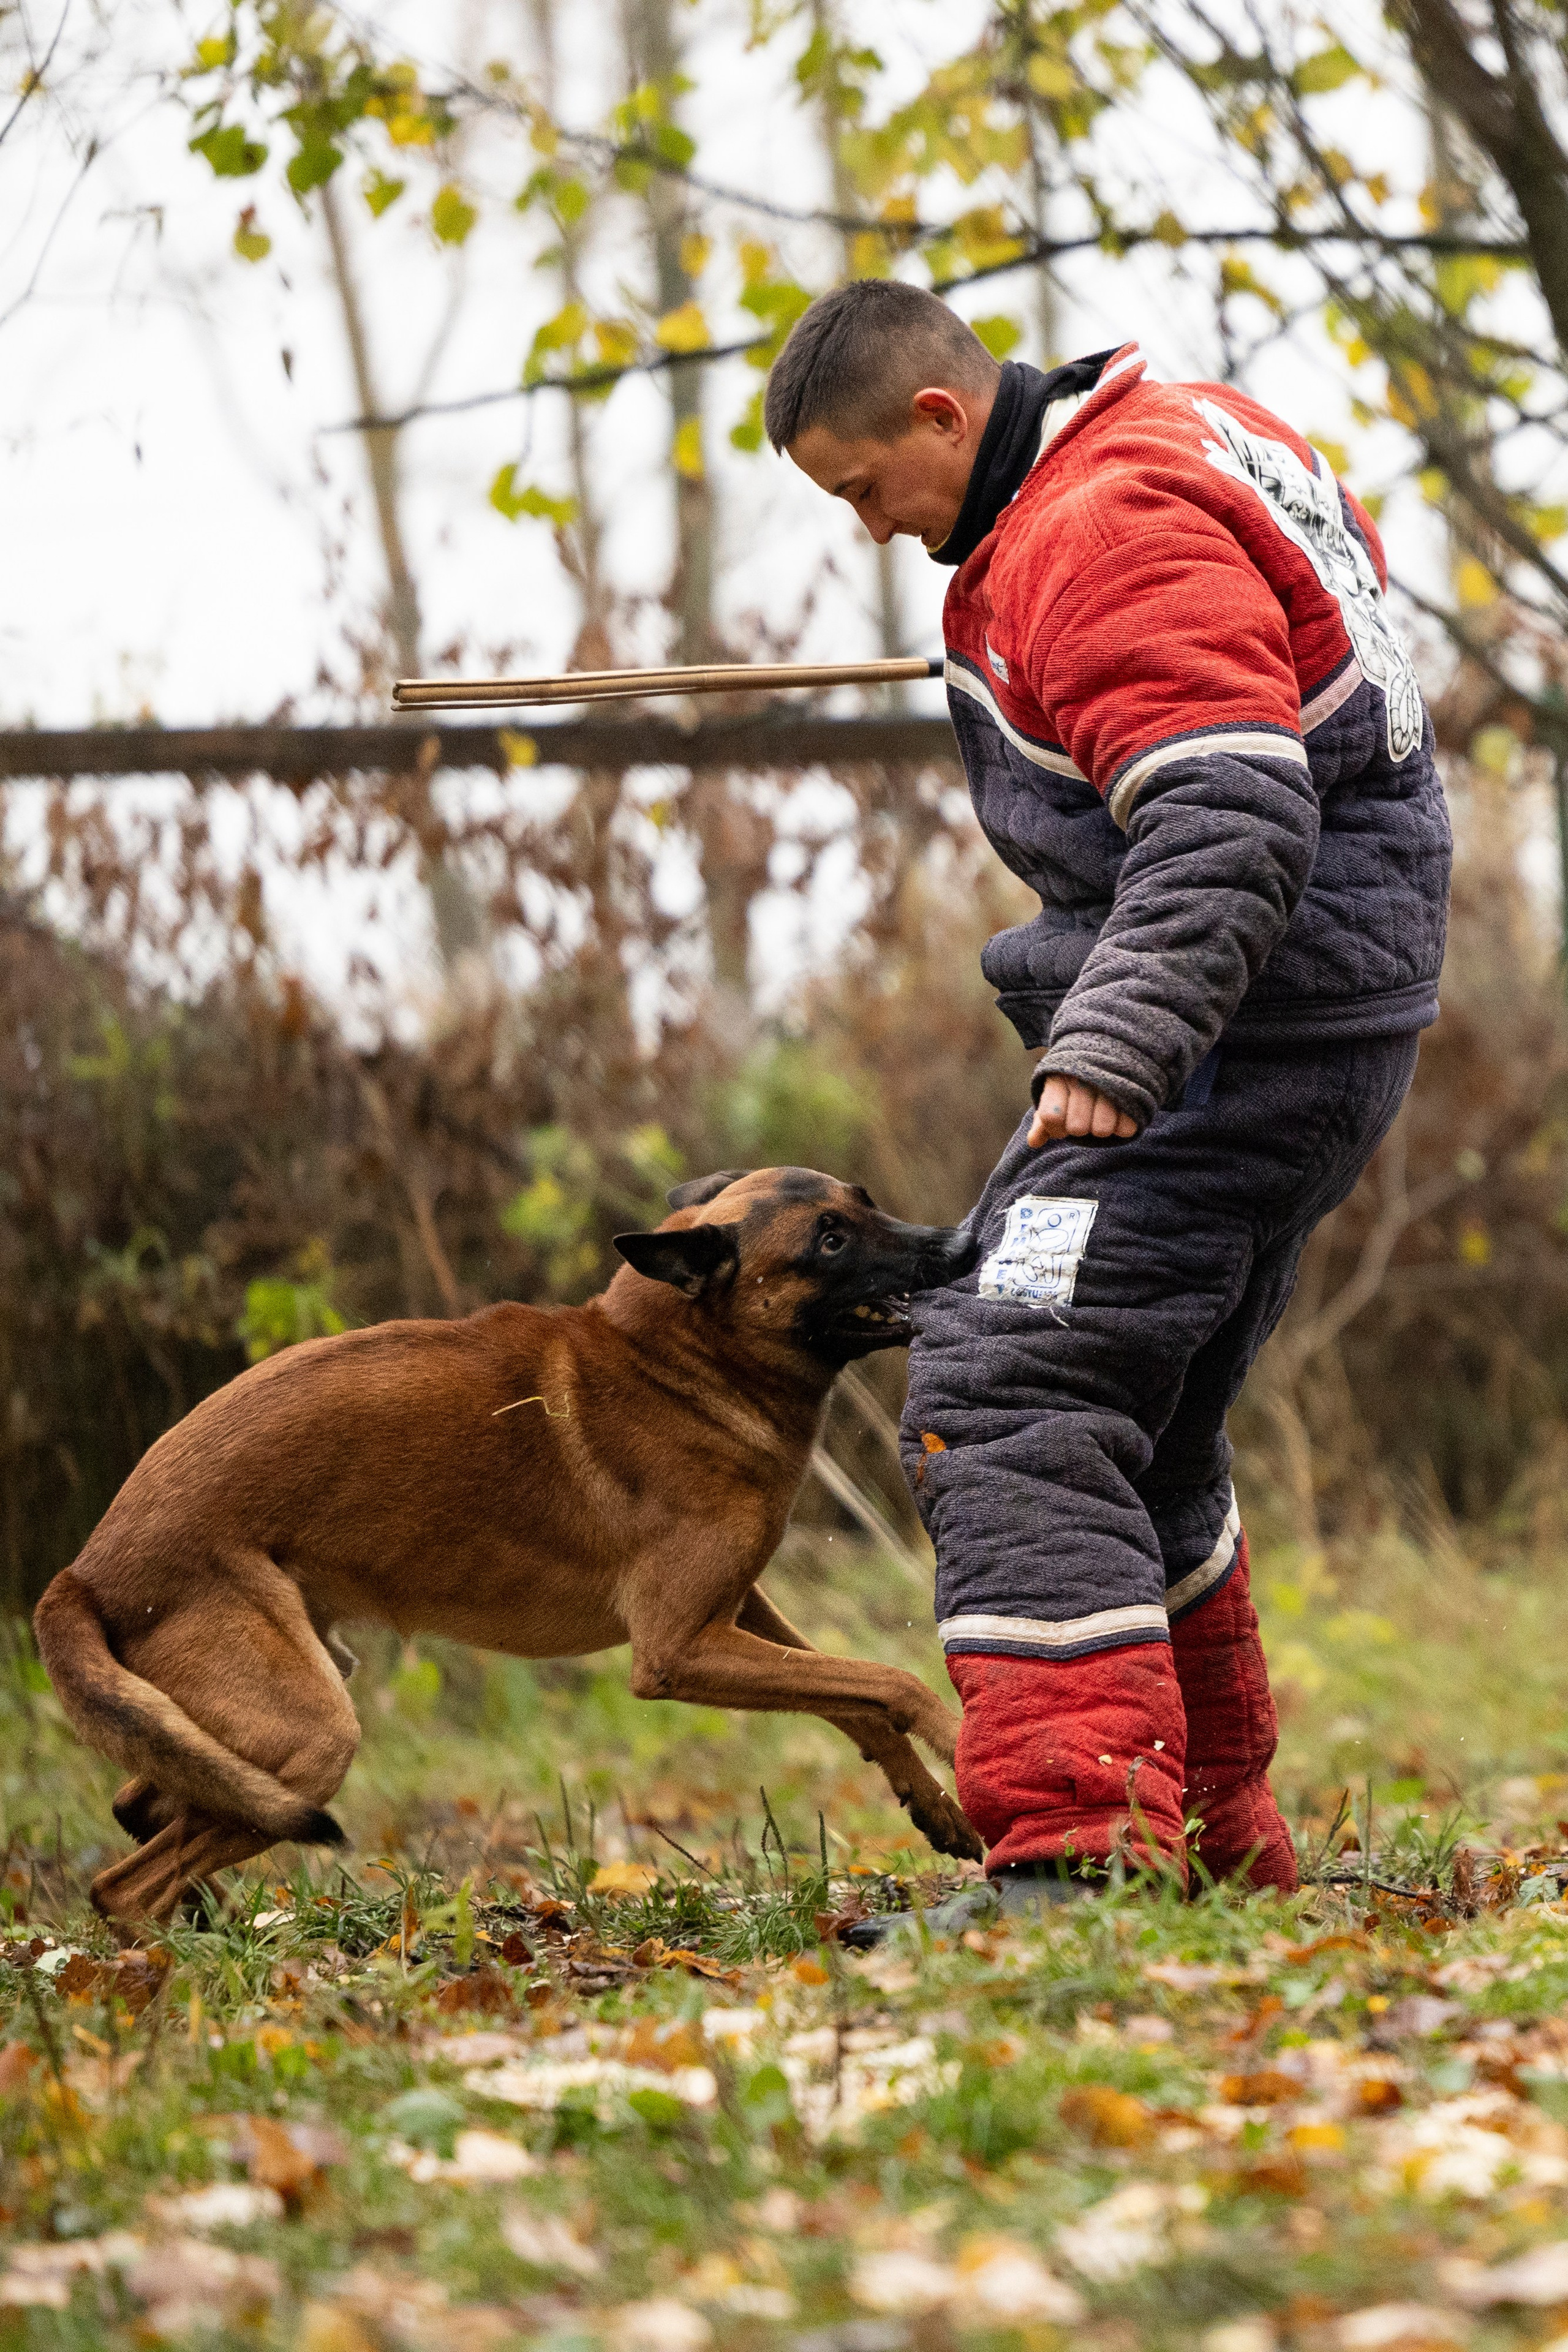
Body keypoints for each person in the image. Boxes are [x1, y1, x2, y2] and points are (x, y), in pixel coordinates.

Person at [763, 280, 1450, 1902]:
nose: (871, 529)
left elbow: (1228, 816)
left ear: (941, 416)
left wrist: (1112, 1047)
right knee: (1143, 1427)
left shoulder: (1099, 528)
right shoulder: (1177, 438)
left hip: (1232, 1033)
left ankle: (1079, 1864)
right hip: (1314, 1008)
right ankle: (1216, 1844)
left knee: (1001, 1382)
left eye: (866, 488)